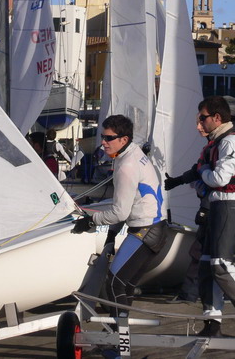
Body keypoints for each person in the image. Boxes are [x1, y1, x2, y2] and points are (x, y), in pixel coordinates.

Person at [165, 96, 235, 338]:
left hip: (229, 207)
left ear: (217, 118)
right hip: (216, 207)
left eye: (201, 119)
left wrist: (202, 173)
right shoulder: (216, 144)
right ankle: (212, 323)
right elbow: (204, 180)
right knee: (205, 266)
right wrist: (180, 181)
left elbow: (218, 179)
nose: (198, 125)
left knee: (220, 265)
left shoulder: (232, 142)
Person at [72, 115, 167, 320]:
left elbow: (120, 212)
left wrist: (90, 221)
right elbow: (128, 204)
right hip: (156, 228)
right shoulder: (133, 153)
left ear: (124, 140)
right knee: (126, 286)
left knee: (115, 283)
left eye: (108, 138)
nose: (103, 143)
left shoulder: (126, 166)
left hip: (145, 231)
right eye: (102, 137)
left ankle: (118, 343)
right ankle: (121, 342)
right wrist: (112, 234)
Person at [168, 120, 212, 304]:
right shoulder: (213, 148)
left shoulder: (217, 148)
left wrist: (178, 181)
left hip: (213, 209)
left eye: (202, 121)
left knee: (200, 251)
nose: (198, 127)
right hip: (211, 207)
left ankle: (191, 293)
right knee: (208, 253)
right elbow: (197, 170)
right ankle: (203, 293)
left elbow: (200, 172)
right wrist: (176, 181)